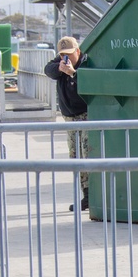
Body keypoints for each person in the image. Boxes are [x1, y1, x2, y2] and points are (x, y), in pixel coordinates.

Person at [44, 36, 90, 212]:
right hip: (70, 119)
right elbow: (48, 70)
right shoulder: (60, 62)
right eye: (63, 55)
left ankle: (95, 195)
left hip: (85, 117)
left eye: (70, 54)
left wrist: (73, 73)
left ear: (77, 51)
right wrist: (60, 68)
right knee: (76, 158)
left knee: (88, 157)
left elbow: (88, 84)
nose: (67, 58)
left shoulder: (85, 63)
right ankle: (86, 195)